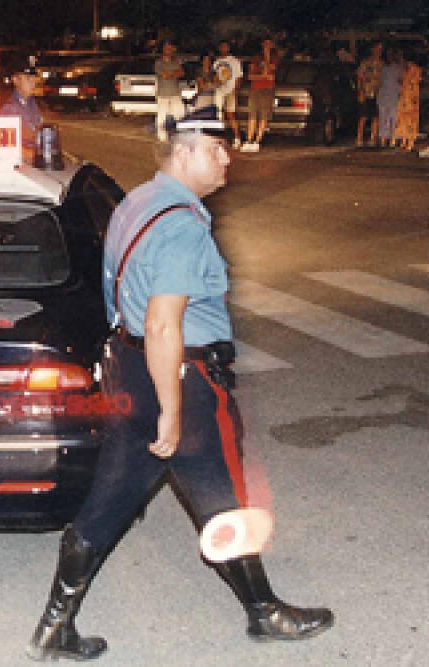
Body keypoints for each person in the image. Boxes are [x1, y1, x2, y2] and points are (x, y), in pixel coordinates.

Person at [24, 107, 333, 661]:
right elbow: (164, 322)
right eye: (217, 149)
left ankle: (54, 627)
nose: (227, 159)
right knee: (223, 494)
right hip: (178, 378)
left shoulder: (136, 202)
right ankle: (264, 613)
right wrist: (172, 408)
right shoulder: (182, 226)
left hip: (128, 368)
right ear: (186, 151)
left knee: (112, 499)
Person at [243, 37, 277, 152]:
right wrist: (262, 76)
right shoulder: (256, 58)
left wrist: (267, 57)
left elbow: (270, 70)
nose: (267, 46)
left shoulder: (274, 57)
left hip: (267, 89)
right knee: (252, 115)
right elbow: (250, 76)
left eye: (269, 44)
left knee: (263, 116)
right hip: (255, 89)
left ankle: (257, 141)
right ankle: (248, 140)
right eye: (265, 44)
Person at [0, 67, 44, 157]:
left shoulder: (31, 102)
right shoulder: (10, 108)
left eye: (34, 78)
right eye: (28, 78)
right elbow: (7, 145)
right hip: (22, 163)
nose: (33, 82)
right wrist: (35, 155)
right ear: (16, 80)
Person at [211, 40, 243, 149]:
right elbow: (215, 76)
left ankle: (237, 138)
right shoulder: (217, 62)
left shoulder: (235, 61)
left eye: (226, 46)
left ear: (229, 48)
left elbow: (239, 77)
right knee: (218, 115)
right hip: (219, 90)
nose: (224, 48)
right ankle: (219, 140)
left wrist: (236, 89)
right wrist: (216, 81)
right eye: (222, 47)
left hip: (230, 90)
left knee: (231, 115)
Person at [153, 41, 186, 143]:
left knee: (180, 113)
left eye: (170, 48)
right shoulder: (159, 63)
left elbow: (181, 72)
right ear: (163, 50)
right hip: (163, 94)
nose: (169, 50)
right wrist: (173, 73)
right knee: (162, 115)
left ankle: (180, 134)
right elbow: (164, 75)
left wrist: (172, 73)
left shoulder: (176, 61)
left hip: (175, 92)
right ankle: (162, 137)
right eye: (167, 48)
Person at [356, 42, 384, 147]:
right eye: (377, 49)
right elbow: (359, 78)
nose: (379, 52)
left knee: (376, 117)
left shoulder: (382, 64)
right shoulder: (365, 63)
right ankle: (359, 138)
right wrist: (360, 91)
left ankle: (372, 138)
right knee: (363, 116)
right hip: (366, 92)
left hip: (378, 93)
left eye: (380, 50)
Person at [393, 53, 421, 152]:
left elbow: (414, 83)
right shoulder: (405, 71)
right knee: (403, 119)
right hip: (404, 98)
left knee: (411, 120)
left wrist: (413, 97)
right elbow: (401, 81)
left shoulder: (416, 70)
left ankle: (410, 142)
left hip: (411, 98)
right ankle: (404, 140)